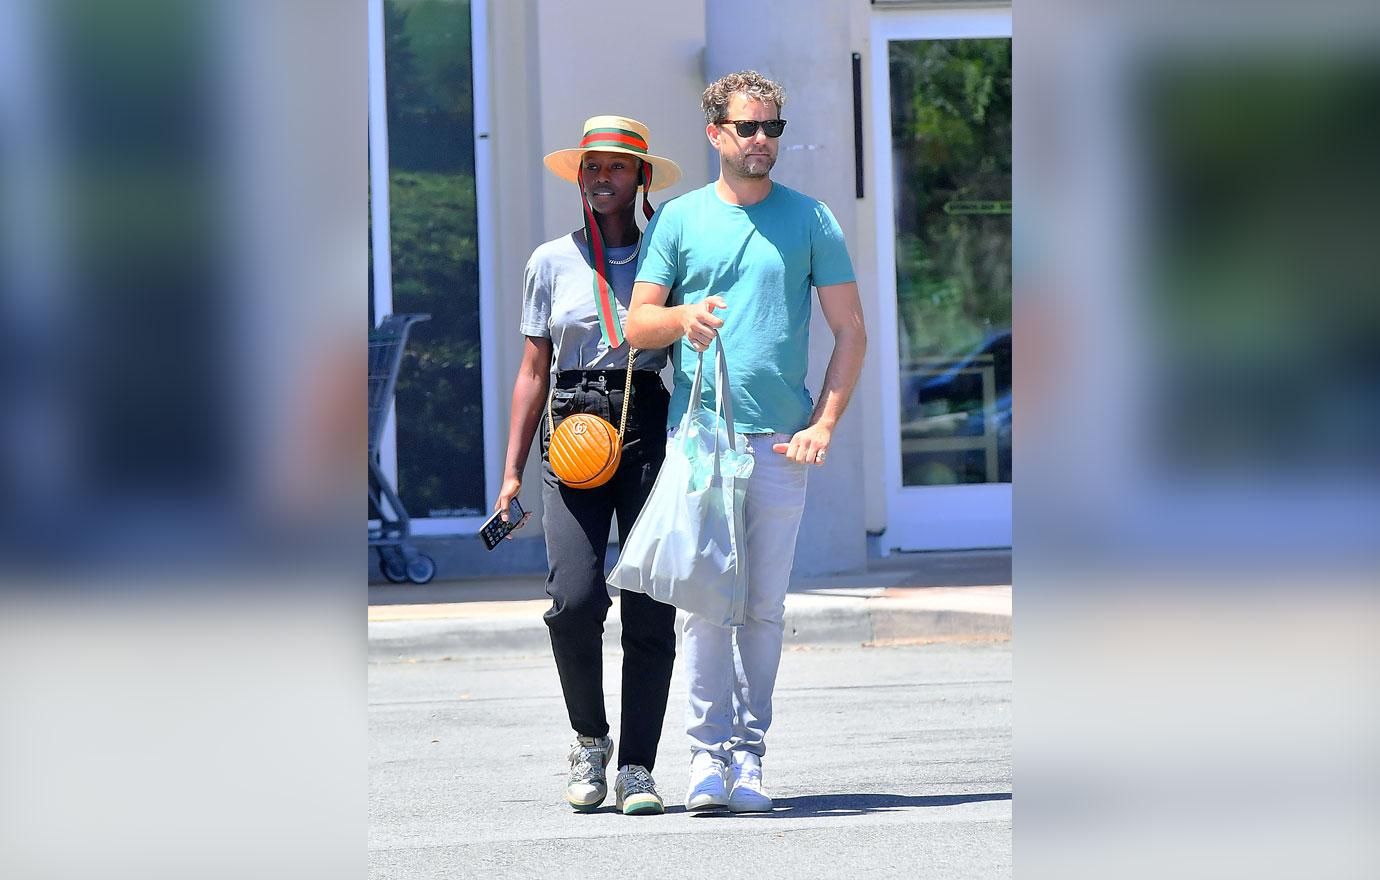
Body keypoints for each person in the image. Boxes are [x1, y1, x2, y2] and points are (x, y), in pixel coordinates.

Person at [625, 71, 867, 813]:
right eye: (748, 128)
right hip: (699, 440)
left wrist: (823, 424)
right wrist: (683, 317)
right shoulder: (681, 220)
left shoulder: (812, 219)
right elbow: (637, 325)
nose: (762, 142)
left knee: (761, 607)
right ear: (715, 134)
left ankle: (749, 758)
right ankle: (704, 760)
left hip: (779, 443)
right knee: (703, 605)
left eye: (771, 129)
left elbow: (850, 332)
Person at [495, 116, 683, 815]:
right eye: (591, 167)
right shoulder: (550, 261)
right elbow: (531, 370)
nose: (602, 178)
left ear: (640, 180)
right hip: (571, 430)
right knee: (574, 601)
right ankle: (589, 740)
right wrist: (512, 471)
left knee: (650, 605)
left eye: (617, 167)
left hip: (647, 427)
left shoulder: (670, 258)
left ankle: (638, 765)